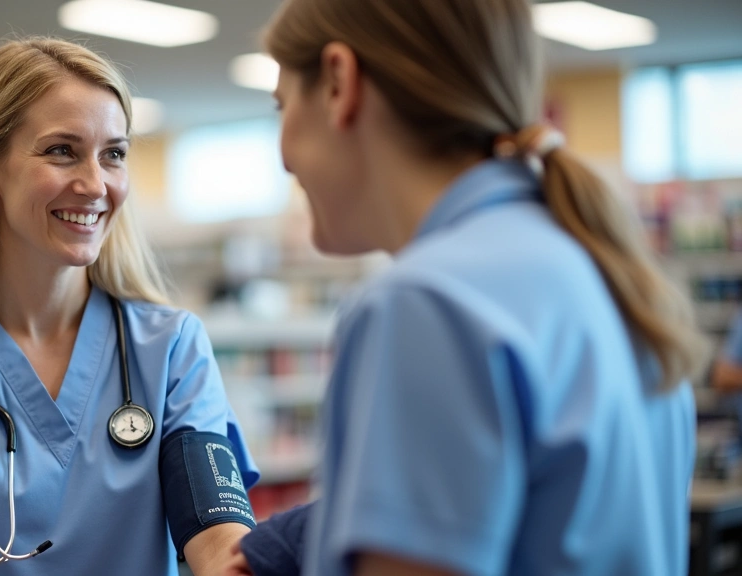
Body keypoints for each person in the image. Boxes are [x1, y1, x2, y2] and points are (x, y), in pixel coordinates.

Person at [226, 1, 707, 575]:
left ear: (338, 83)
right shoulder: (613, 278)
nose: (282, 158)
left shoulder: (424, 304)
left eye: (281, 107)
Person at [0, 37, 258, 576]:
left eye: (114, 154)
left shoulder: (171, 347)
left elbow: (220, 541)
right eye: (61, 150)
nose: (94, 184)